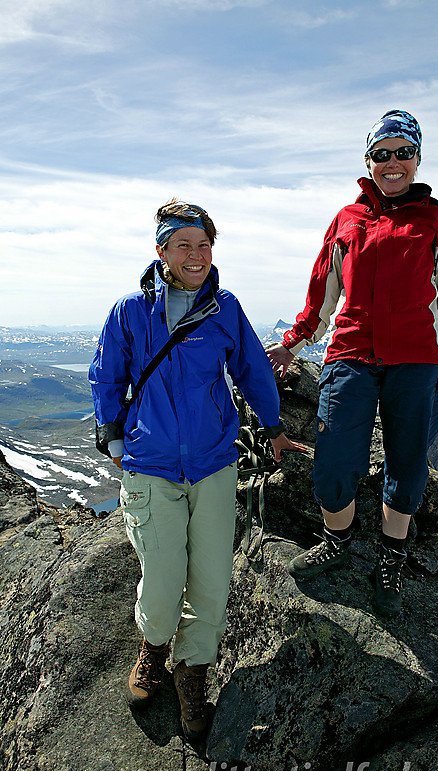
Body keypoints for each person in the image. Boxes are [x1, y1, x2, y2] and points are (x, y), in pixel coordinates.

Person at [90, 199, 304, 741]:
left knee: (210, 587)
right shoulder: (131, 311)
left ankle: (192, 678)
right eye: (183, 244)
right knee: (162, 587)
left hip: (212, 466)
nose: (196, 255)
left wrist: (275, 427)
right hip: (151, 467)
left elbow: (254, 370)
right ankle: (153, 646)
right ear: (160, 250)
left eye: (204, 245)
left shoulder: (225, 308)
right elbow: (106, 377)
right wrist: (113, 437)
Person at [267, 109, 438, 617]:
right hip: (351, 354)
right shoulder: (347, 221)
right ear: (369, 161)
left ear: (418, 158)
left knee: (407, 466)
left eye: (404, 152)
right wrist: (293, 342)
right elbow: (322, 293)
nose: (393, 163)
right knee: (334, 461)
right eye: (382, 154)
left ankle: (391, 557)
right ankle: (339, 540)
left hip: (418, 362)